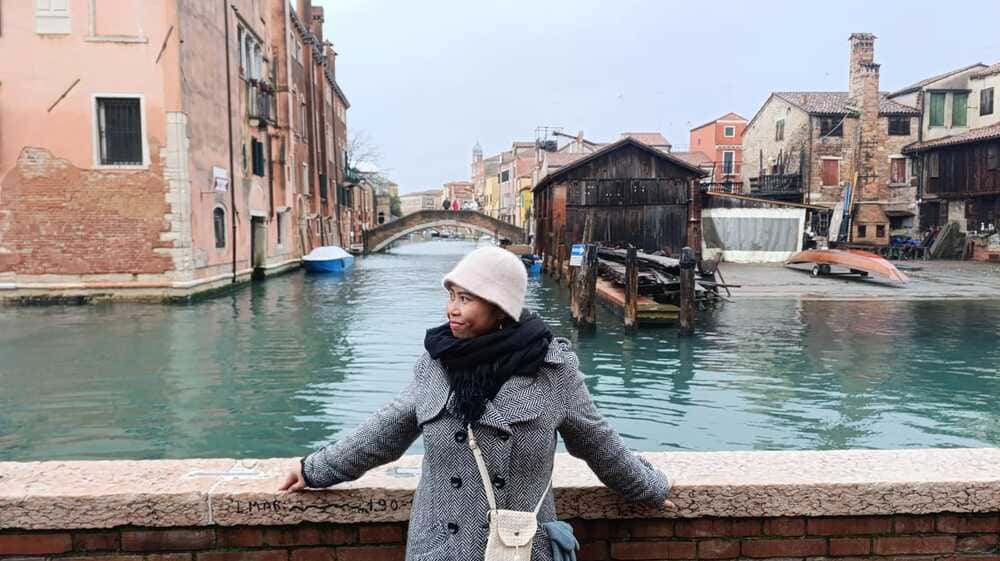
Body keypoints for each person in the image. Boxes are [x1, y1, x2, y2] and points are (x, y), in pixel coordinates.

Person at [280, 246, 675, 560]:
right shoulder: (436, 362)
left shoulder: (553, 370)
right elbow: (386, 430)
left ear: (499, 306)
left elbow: (598, 441)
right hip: (440, 550)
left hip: (520, 550)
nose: (452, 308)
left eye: (466, 298)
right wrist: (313, 470)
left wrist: (649, 488)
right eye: (451, 295)